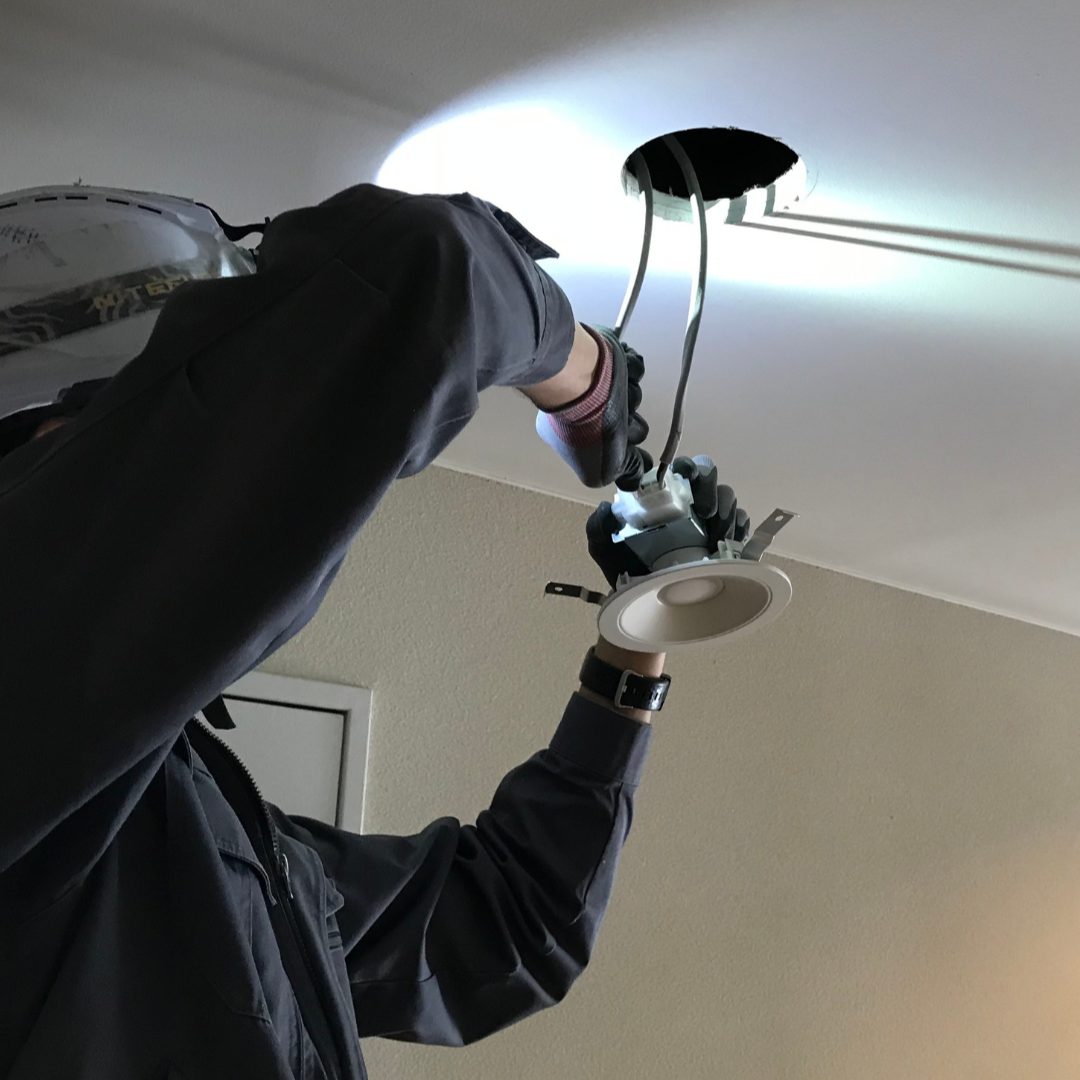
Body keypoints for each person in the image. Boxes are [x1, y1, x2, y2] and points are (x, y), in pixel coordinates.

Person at [0, 181, 739, 1079]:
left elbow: (511, 928)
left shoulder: (192, 849)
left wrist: (641, 631)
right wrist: (593, 384)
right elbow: (426, 266)